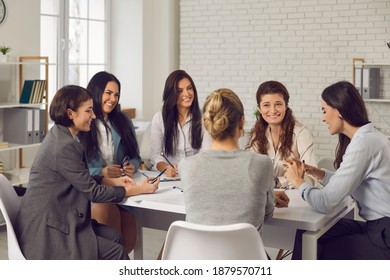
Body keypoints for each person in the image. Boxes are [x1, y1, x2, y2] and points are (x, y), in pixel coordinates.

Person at [14, 85, 159, 260]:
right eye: (88, 111)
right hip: (48, 231)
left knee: (116, 236)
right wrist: (135, 190)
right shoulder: (65, 146)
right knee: (117, 252)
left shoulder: (61, 136)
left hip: (57, 219)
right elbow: (92, 192)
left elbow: (80, 179)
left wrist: (111, 181)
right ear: (70, 114)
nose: (94, 115)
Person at [284, 81, 390, 260]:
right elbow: (346, 181)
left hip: (383, 235)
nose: (323, 118)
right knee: (306, 233)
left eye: (324, 111)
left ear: (339, 110)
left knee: (315, 248)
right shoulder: (368, 138)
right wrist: (315, 172)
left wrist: (298, 182)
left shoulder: (363, 145)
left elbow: (325, 203)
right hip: (379, 227)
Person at [179, 88, 290, 241]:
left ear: (206, 124)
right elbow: (267, 214)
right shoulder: (262, 164)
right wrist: (265, 196)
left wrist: (262, 194)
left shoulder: (186, 166)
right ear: (242, 121)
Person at [79, 71, 141, 254]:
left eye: (116, 94)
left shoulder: (123, 121)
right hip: (93, 194)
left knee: (129, 240)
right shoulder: (82, 123)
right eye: (108, 93)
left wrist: (132, 165)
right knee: (110, 231)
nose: (112, 99)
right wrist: (102, 171)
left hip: (120, 191)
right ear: (96, 92)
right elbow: (76, 169)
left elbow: (136, 156)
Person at [246, 80, 318, 188]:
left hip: (297, 198)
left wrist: (277, 182)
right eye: (266, 105)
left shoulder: (301, 133)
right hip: (266, 198)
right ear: (259, 109)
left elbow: (311, 178)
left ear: (286, 106)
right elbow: (249, 171)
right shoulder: (258, 134)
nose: (273, 110)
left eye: (278, 104)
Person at [151, 69, 210, 178]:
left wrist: (189, 168)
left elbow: (205, 153)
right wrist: (165, 168)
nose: (187, 94)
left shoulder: (204, 118)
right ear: (171, 94)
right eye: (179, 91)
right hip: (170, 177)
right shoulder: (159, 119)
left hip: (197, 175)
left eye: (189, 88)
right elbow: (156, 155)